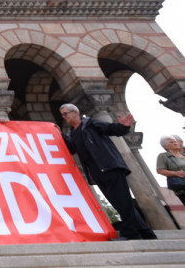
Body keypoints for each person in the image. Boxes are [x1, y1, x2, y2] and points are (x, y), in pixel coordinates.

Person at [59, 103, 156, 240]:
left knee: (123, 201)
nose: (64, 117)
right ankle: (146, 232)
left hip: (110, 167)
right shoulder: (73, 133)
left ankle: (131, 232)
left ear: (75, 112)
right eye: (62, 115)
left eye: (66, 113)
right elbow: (72, 149)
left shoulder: (91, 124)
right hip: (97, 172)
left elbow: (110, 129)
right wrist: (58, 134)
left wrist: (123, 127)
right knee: (118, 203)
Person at [156, 134, 185, 205]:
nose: (175, 143)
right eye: (172, 142)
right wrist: (176, 173)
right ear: (165, 146)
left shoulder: (183, 155)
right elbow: (160, 170)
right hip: (182, 189)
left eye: (175, 141)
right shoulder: (164, 156)